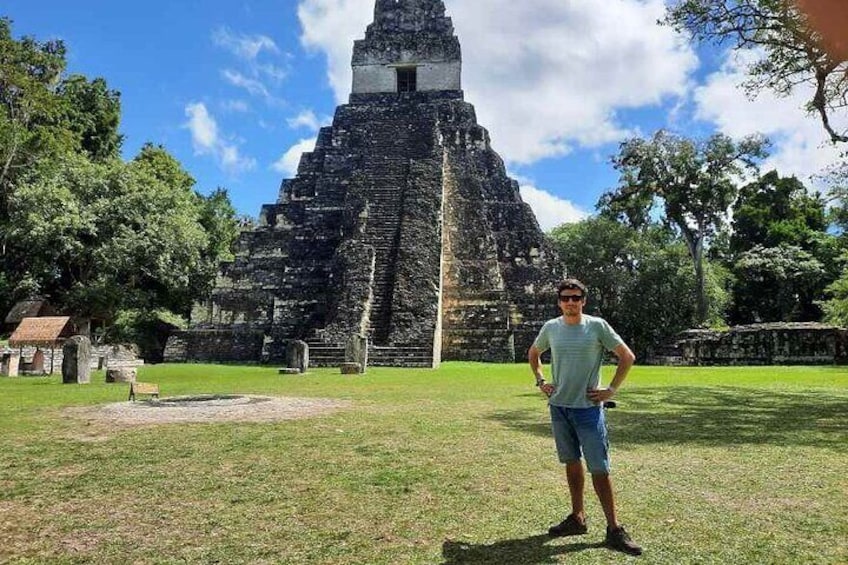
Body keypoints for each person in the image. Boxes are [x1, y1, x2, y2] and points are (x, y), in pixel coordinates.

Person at [528, 278, 642, 556]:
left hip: (588, 410)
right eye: (566, 297)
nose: (570, 302)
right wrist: (541, 380)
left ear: (583, 301)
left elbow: (627, 356)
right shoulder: (551, 328)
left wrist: (611, 389)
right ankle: (577, 517)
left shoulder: (596, 326)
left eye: (576, 298)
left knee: (600, 469)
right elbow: (534, 353)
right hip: (559, 407)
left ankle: (614, 528)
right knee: (571, 462)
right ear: (559, 301)